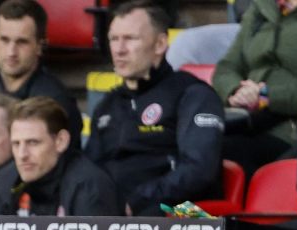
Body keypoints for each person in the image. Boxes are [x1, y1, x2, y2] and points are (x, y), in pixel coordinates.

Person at [85, 0, 224, 217]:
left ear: (160, 44)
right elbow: (89, 169)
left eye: (130, 38)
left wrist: (137, 202)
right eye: (114, 39)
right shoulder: (108, 105)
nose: (119, 50)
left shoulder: (192, 94)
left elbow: (200, 170)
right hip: (110, 214)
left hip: (173, 212)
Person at [0, 0, 82, 154]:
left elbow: (57, 164)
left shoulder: (56, 101)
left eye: (22, 42)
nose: (11, 52)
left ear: (40, 45)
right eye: (4, 40)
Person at [213, 0, 297, 178]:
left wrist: (266, 96)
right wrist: (235, 91)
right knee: (194, 145)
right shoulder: (261, 7)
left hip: (292, 131)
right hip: (245, 119)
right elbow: (227, 67)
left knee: (217, 152)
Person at [0, 96, 121, 216]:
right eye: (16, 144)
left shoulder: (90, 188)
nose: (22, 154)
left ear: (61, 141)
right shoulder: (6, 179)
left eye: (33, 142)